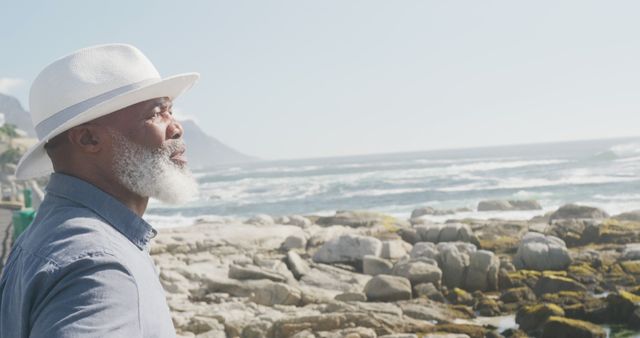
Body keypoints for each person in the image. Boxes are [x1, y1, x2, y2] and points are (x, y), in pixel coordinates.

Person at [0, 43, 200, 337]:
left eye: (170, 111)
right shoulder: (100, 266)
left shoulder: (47, 236)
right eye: (157, 113)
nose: (177, 127)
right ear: (89, 139)